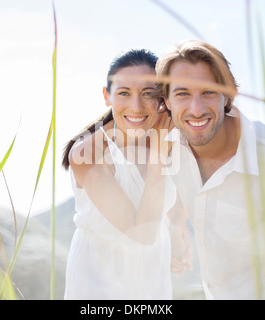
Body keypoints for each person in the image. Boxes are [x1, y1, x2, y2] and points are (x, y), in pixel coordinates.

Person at [156, 40, 265, 300]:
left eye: (208, 92)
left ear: (227, 94)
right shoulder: (169, 145)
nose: (196, 110)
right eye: (182, 94)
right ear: (167, 102)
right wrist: (175, 224)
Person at [61, 48, 187, 299]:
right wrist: (159, 155)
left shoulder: (170, 131)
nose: (136, 106)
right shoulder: (88, 153)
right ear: (107, 96)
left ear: (162, 98)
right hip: (100, 278)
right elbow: (142, 233)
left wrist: (176, 229)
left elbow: (180, 186)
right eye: (123, 93)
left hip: (153, 271)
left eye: (148, 94)